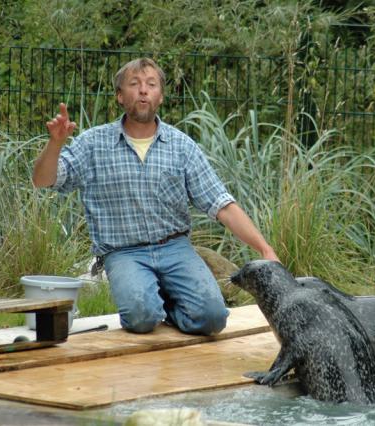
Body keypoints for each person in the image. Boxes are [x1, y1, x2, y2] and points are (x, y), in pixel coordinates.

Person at [32, 57, 279, 336]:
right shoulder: (93, 143)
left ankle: (171, 304)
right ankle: (150, 299)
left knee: (212, 319)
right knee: (141, 318)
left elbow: (221, 204)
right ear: (119, 96)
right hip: (123, 252)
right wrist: (55, 144)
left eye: (151, 84)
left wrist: (264, 249)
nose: (143, 90)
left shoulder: (181, 146)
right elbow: (43, 180)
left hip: (174, 248)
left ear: (160, 96)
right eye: (134, 84)